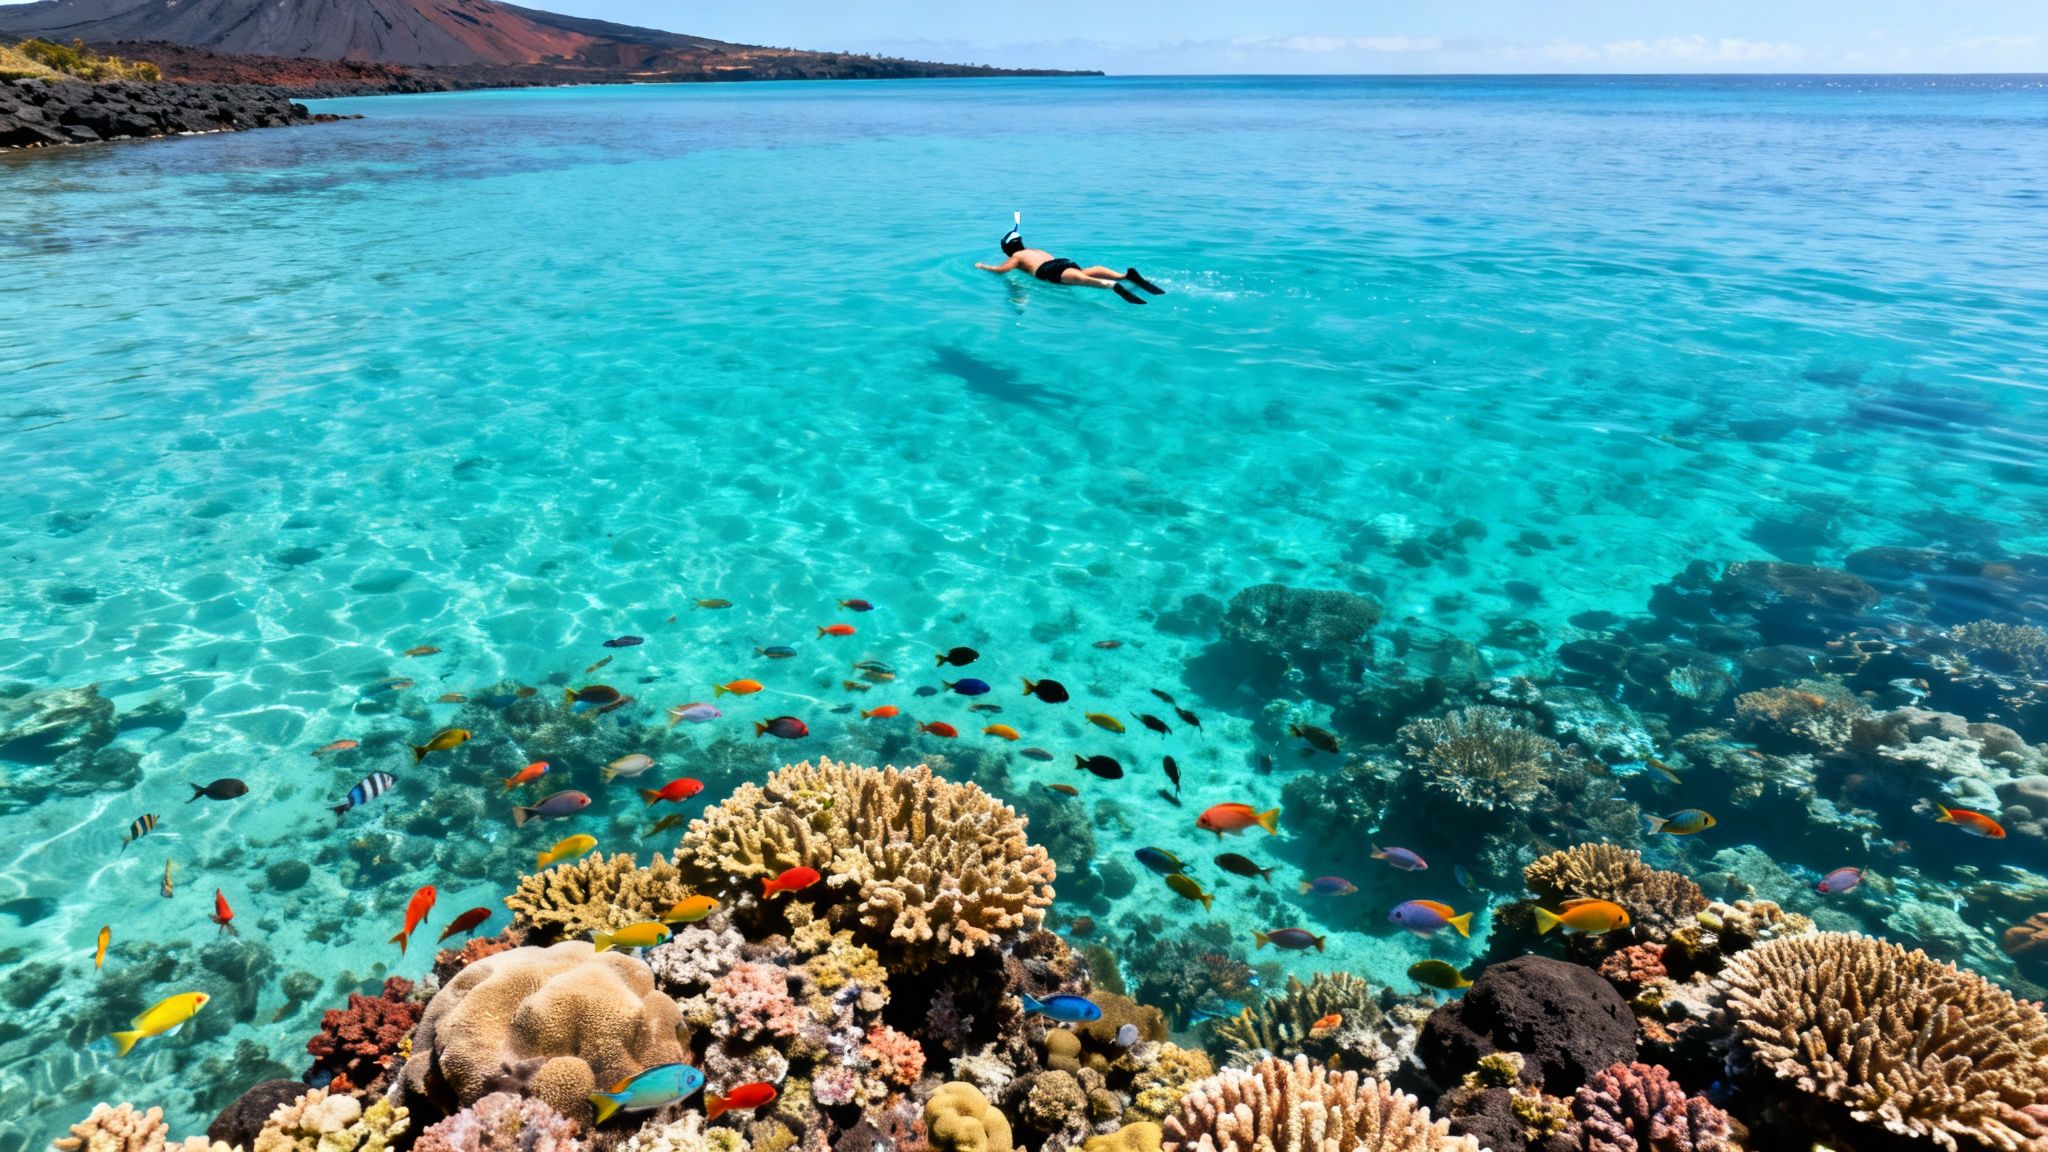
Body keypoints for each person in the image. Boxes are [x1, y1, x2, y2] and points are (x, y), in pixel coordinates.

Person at [976, 222, 1164, 305]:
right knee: (1084, 273)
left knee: (1084, 280)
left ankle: (1111, 285)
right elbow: (1056, 263)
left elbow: (1001, 271)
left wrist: (984, 267)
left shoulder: (1016, 257)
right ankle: (1124, 276)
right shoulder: (1035, 250)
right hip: (1061, 262)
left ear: (1008, 249)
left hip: (1048, 271)